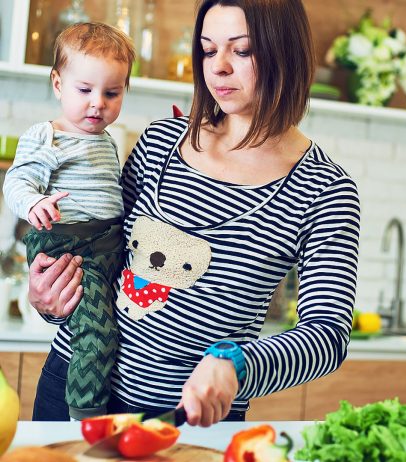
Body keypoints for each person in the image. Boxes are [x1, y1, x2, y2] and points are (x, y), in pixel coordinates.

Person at [26, 0, 360, 426]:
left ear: (285, 51)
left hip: (187, 422)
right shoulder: (161, 141)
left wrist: (237, 364)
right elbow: (100, 253)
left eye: (241, 50)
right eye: (207, 49)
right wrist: (49, 299)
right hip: (69, 388)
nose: (218, 67)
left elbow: (327, 336)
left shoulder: (325, 189)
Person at [3, 22, 135, 420]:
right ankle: (83, 412)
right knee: (95, 331)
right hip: (70, 247)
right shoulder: (49, 136)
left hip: (104, 244)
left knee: (115, 318)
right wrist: (34, 204)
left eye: (112, 93)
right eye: (85, 90)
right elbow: (17, 179)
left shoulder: (108, 139)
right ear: (58, 84)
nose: (98, 103)